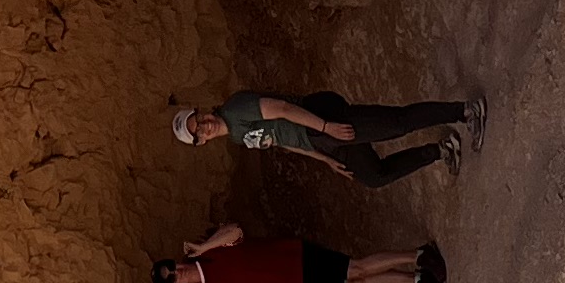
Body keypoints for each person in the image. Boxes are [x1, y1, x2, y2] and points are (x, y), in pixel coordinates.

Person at [176, 91, 483, 188]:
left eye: (199, 120)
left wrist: (326, 126)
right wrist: (325, 160)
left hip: (320, 120)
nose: (204, 126)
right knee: (373, 177)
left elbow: (282, 109)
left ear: (203, 111)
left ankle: (464, 111)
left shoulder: (235, 108)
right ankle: (442, 149)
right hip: (318, 141)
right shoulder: (237, 138)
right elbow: (281, 141)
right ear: (201, 143)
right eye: (198, 132)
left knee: (394, 123)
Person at [163, 226, 442, 283]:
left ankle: (418, 255)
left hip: (294, 259)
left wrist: (202, 248)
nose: (178, 271)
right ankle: (418, 279)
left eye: (173, 267)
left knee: (355, 269)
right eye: (174, 277)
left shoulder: (210, 252)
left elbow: (235, 231)